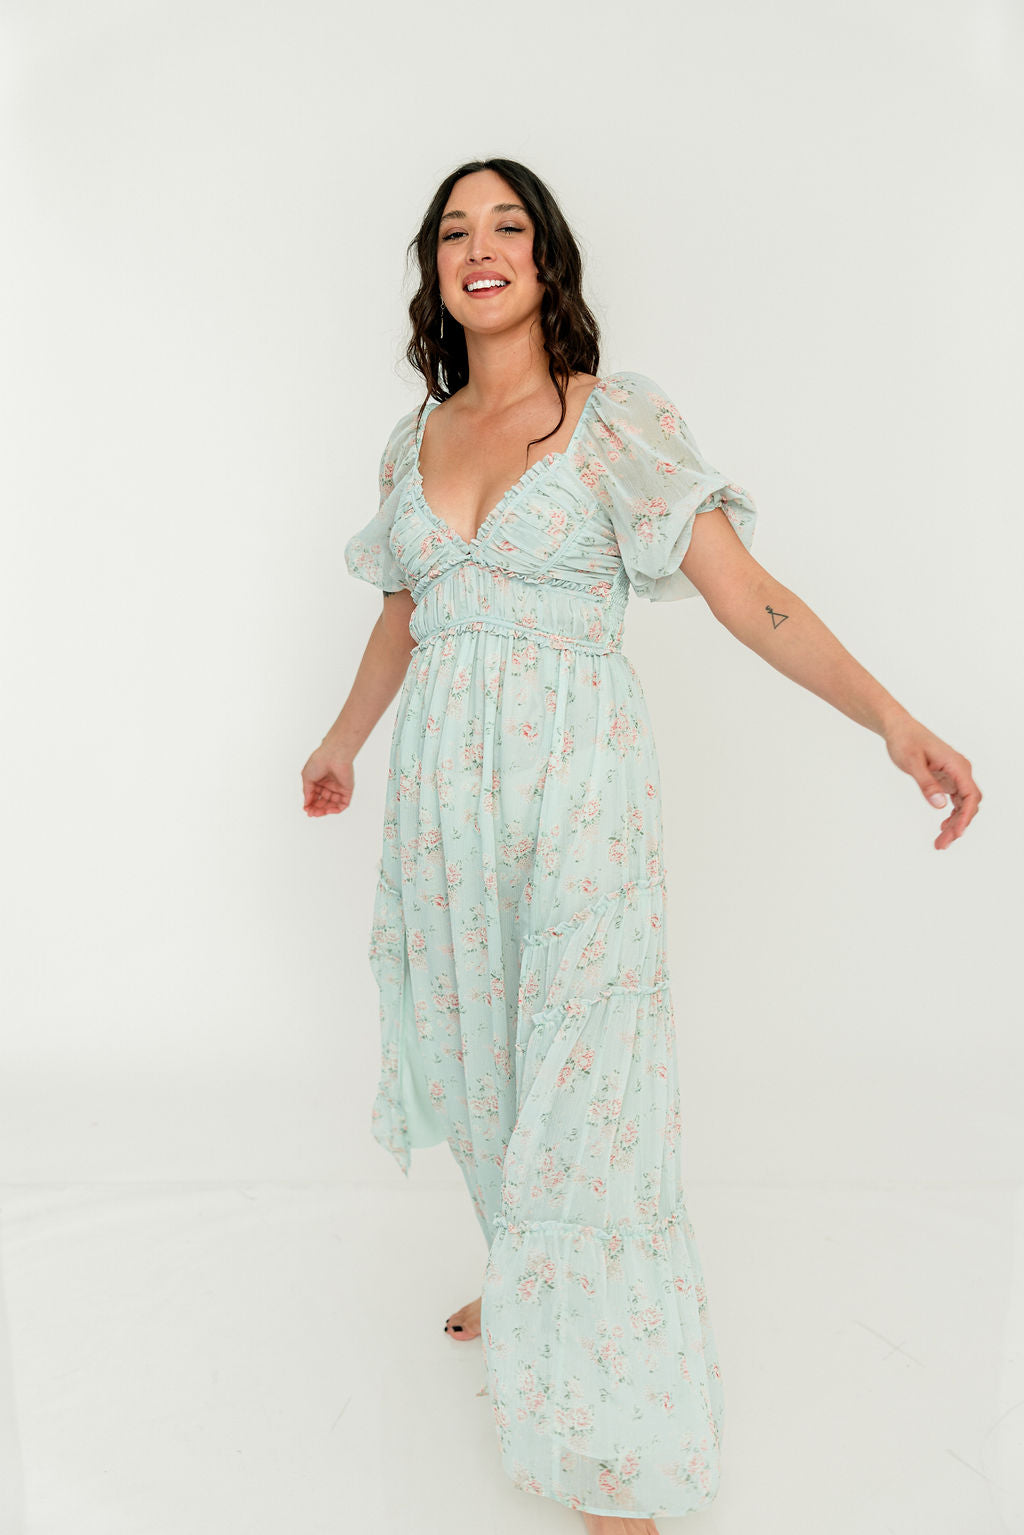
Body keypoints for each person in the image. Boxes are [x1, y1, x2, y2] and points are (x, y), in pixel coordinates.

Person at [300, 158, 981, 1534]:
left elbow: (749, 597)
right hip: (442, 801)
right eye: (454, 231)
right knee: (482, 1061)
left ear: (547, 258)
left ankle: (617, 1436)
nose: (480, 246)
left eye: (507, 225)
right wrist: (342, 742)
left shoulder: (615, 420)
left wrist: (892, 721)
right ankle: (531, 1277)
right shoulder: (412, 439)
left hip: (578, 794)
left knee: (589, 1090)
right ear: (434, 273)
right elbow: (401, 616)